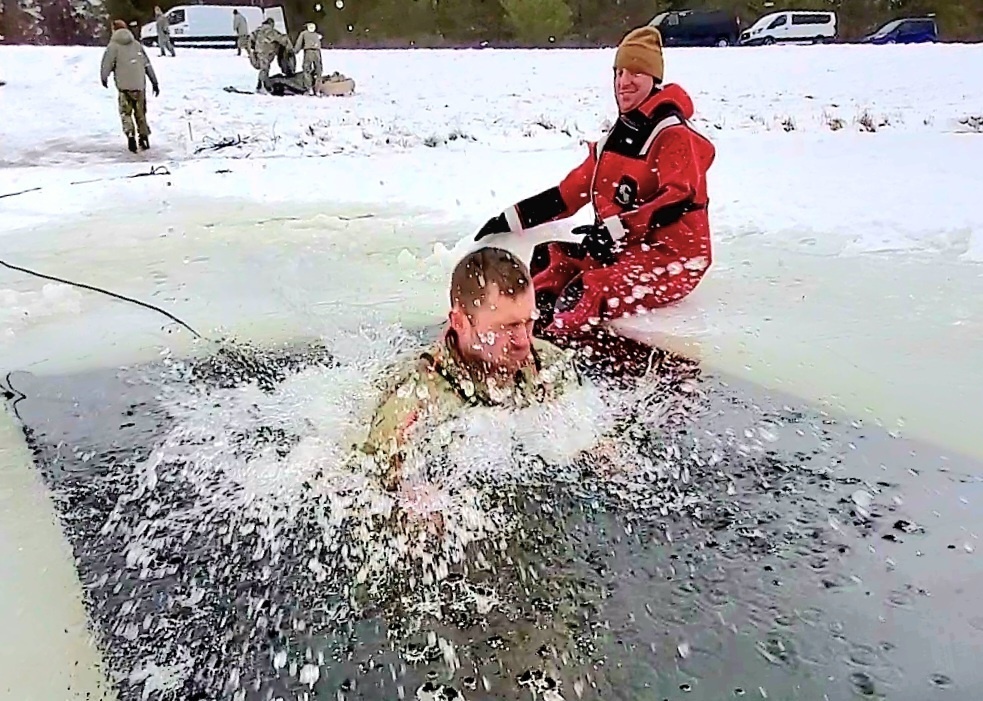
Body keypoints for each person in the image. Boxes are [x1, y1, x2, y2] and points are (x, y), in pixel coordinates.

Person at [474, 26, 716, 341]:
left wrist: (614, 230)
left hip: (676, 260)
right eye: (619, 73)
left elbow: (676, 201)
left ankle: (552, 352)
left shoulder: (673, 135)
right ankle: (512, 332)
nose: (623, 82)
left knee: (590, 288)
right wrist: (507, 218)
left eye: (636, 73)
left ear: (654, 80)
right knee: (550, 261)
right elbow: (567, 195)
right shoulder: (615, 141)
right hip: (626, 250)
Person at [359, 247, 579, 492]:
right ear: (460, 322)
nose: (523, 342)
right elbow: (367, 481)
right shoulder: (417, 397)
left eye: (528, 323)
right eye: (506, 327)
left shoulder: (549, 363)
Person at [101, 19, 160, 153]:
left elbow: (106, 64)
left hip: (124, 87)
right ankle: (144, 137)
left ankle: (131, 136)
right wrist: (154, 82)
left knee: (125, 113)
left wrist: (104, 77)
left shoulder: (113, 46)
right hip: (139, 85)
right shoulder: (136, 45)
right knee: (141, 113)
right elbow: (147, 64)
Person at [248, 17, 290, 93]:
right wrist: (287, 41)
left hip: (258, 52)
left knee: (263, 68)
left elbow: (250, 39)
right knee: (265, 69)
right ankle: (261, 86)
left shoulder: (258, 30)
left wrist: (253, 49)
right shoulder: (271, 31)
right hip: (266, 52)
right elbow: (280, 39)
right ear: (271, 24)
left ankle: (260, 85)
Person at [293, 22, 323, 95]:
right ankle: (317, 89)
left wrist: (295, 51)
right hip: (317, 52)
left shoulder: (303, 34)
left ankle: (309, 88)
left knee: (307, 70)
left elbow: (299, 43)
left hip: (309, 52)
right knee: (318, 70)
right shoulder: (316, 35)